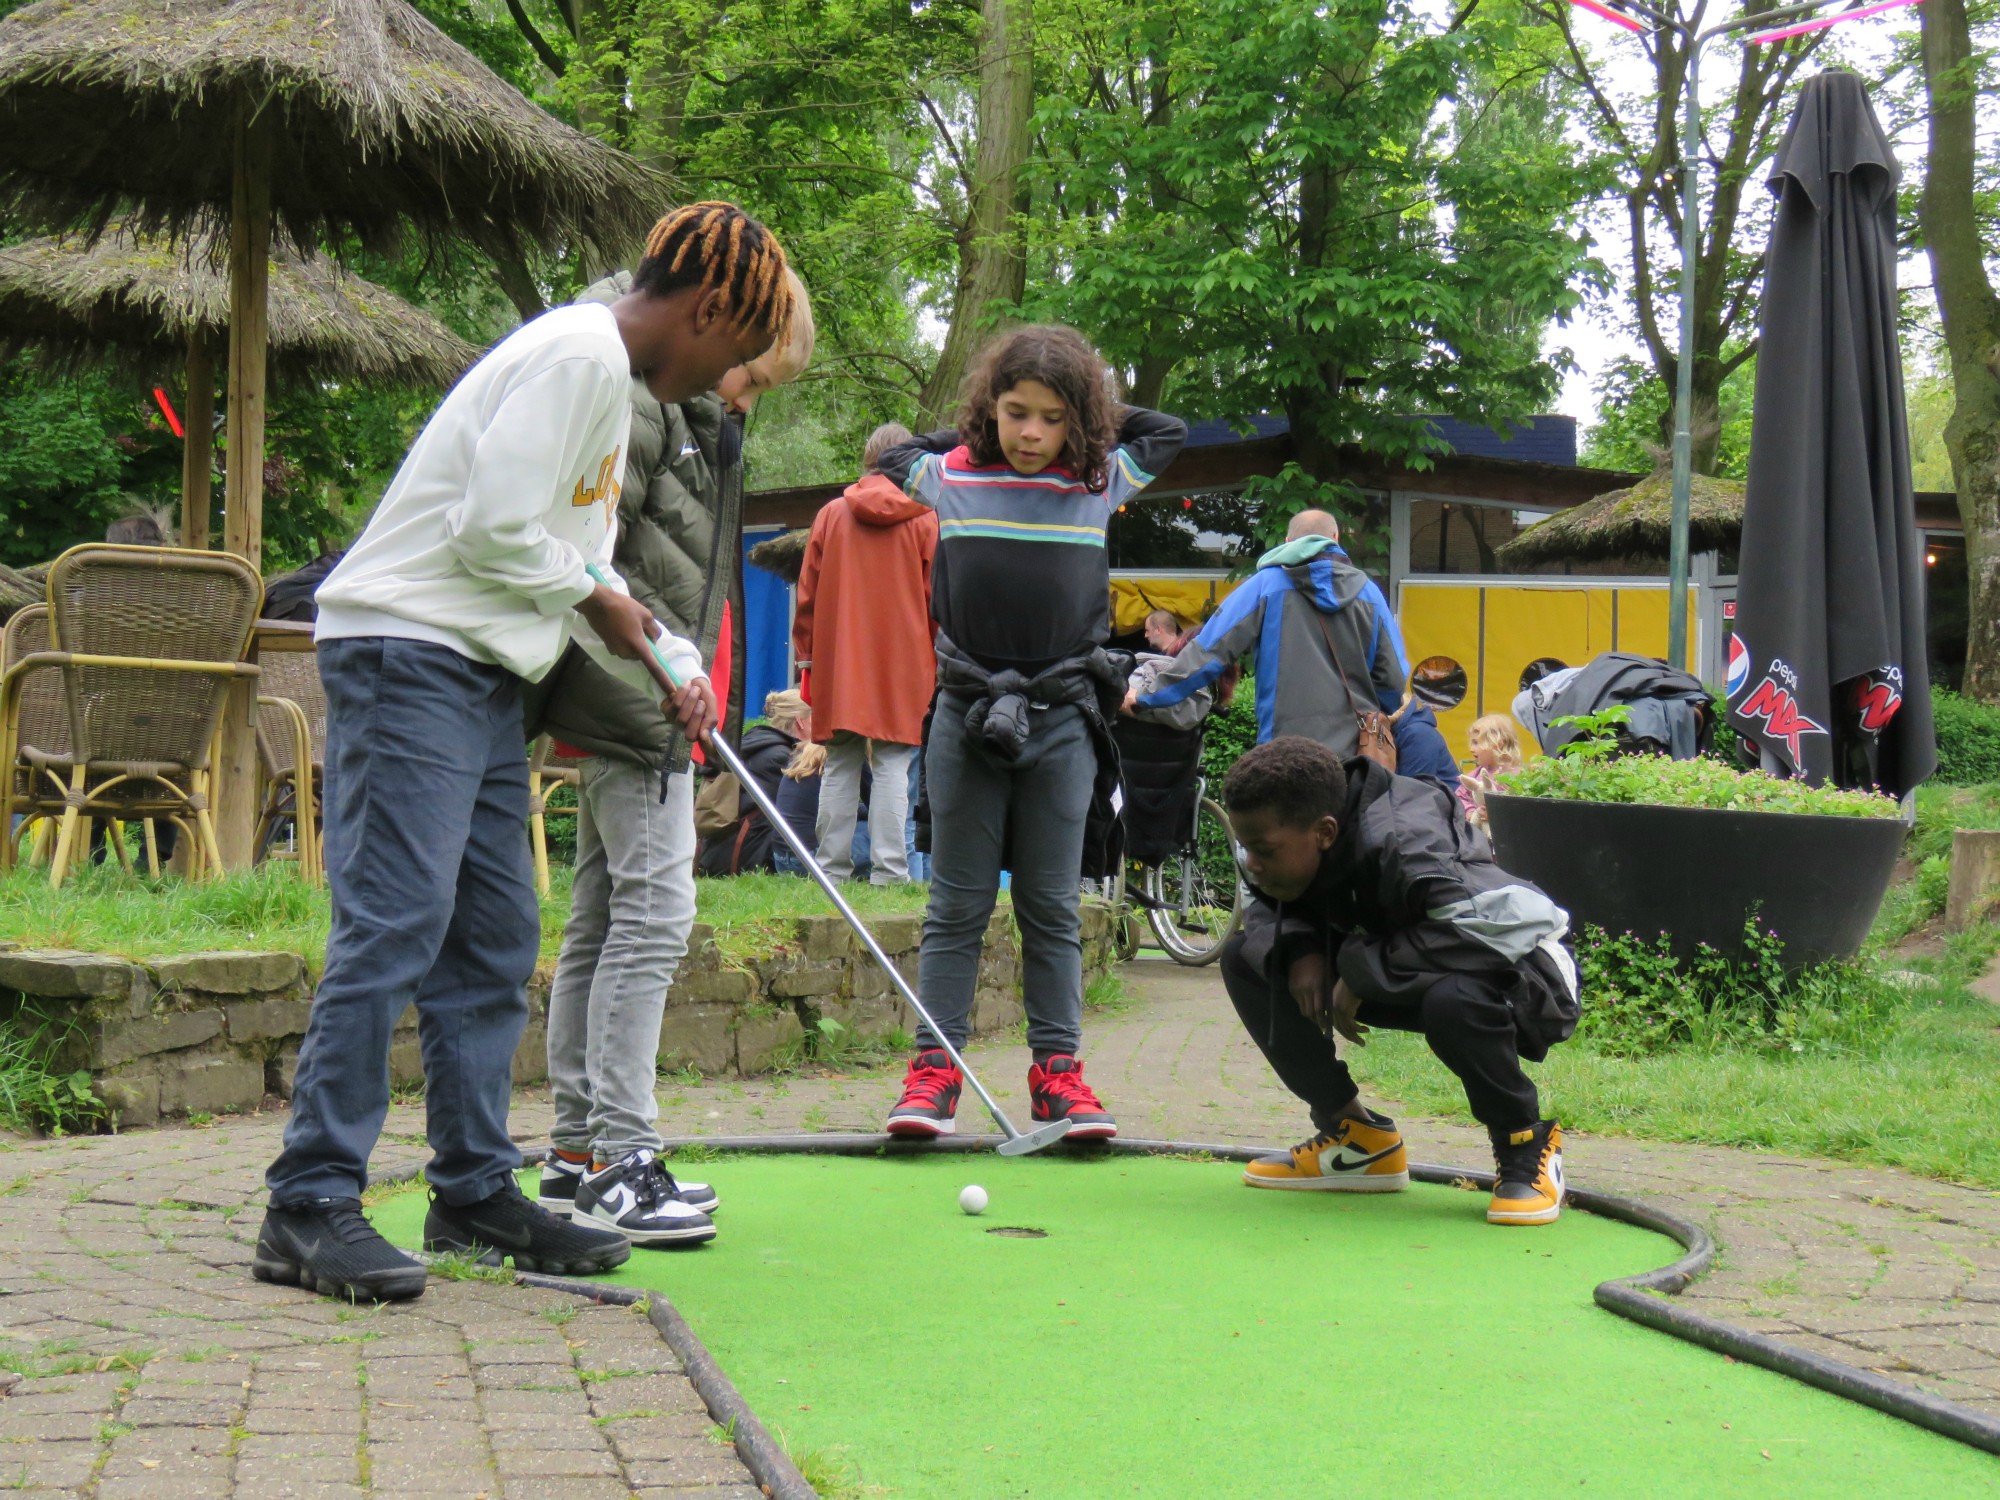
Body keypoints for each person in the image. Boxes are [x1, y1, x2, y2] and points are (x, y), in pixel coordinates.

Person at [256, 202, 790, 1303]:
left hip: (483, 669)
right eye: (731, 352)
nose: (715, 379)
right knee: (396, 922)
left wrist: (667, 658)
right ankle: (306, 1202)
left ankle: (471, 1190)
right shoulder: (580, 358)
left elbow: (576, 559)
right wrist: (605, 604)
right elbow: (492, 530)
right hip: (410, 653)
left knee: (494, 936)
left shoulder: (612, 378)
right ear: (708, 306)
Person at [533, 269, 814, 1251]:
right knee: (653, 914)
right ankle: (618, 1158)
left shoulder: (694, 417)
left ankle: (576, 1157)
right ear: (715, 328)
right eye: (750, 374)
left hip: (658, 690)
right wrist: (663, 678)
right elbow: (607, 557)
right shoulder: (648, 405)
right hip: (634, 692)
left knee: (604, 913)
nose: (746, 397)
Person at [874, 325, 1186, 1141]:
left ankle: (1058, 1080)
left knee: (1050, 905)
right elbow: (887, 455)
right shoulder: (947, 476)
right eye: (1015, 414)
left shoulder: (1099, 480)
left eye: (1053, 418)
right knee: (958, 907)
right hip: (967, 715)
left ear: (1076, 423)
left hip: (1062, 722)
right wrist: (972, 433)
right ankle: (933, 1076)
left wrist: (1091, 421)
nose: (1032, 434)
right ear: (992, 410)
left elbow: (1167, 432)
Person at [1218, 737, 1578, 1225]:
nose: (1252, 863)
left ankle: (1525, 1142)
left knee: (1455, 998)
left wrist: (1362, 970)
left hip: (1519, 972)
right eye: (1246, 848)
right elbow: (1264, 896)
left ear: (1325, 832)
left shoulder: (1410, 839)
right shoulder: (1290, 830)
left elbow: (1513, 928)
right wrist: (1301, 951)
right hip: (1399, 960)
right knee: (1248, 957)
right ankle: (1358, 1137)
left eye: (1262, 850)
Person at [793, 421, 936, 884]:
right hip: (905, 662)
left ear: (868, 458)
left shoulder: (831, 515)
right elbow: (939, 599)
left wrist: (807, 660)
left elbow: (807, 595)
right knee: (895, 763)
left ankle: (831, 872)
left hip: (840, 660)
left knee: (840, 761)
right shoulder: (926, 517)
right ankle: (890, 873)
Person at [696, 689, 818, 876]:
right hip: (750, 856)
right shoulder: (784, 759)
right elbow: (813, 809)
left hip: (718, 853)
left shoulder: (753, 745)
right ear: (801, 722)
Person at [1463, 713, 1526, 829]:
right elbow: (1460, 796)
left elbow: (1522, 809)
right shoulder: (1476, 774)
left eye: (1476, 742)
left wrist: (1496, 814)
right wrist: (1470, 811)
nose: (1471, 749)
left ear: (1498, 744)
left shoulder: (1517, 777)